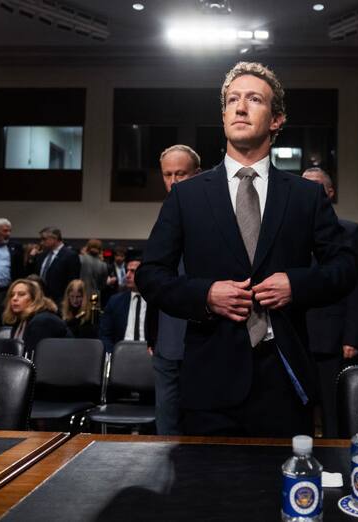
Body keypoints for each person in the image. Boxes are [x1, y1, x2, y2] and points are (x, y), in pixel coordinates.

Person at [136, 61, 356, 437]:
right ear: (223, 115)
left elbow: (347, 266)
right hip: (209, 380)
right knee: (207, 493)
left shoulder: (306, 195)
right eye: (232, 100)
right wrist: (205, 294)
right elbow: (150, 274)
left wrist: (296, 285)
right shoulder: (186, 196)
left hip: (284, 377)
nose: (240, 107)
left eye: (254, 99)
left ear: (276, 119)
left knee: (282, 491)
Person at [302, 166, 358, 438]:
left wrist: (351, 336)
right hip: (295, 335)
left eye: (317, 186)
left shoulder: (350, 232)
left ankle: (335, 467)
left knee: (332, 410)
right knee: (298, 408)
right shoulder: (287, 230)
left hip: (331, 337)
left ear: (330, 192)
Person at [150, 144, 201, 435]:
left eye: (180, 174)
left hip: (203, 335)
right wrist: (152, 332)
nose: (173, 181)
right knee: (166, 425)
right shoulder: (165, 213)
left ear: (197, 173)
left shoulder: (216, 211)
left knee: (199, 423)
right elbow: (156, 277)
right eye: (167, 174)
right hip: (167, 337)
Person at [100, 258, 153, 354]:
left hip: (149, 354)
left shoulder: (155, 302)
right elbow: (105, 335)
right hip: (121, 354)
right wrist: (113, 355)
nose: (127, 275)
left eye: (132, 271)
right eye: (127, 271)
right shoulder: (115, 301)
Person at [3, 278, 69, 355]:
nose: (14, 298)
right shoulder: (20, 320)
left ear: (34, 299)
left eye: (21, 294)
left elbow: (37, 358)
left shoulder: (42, 321)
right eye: (12, 295)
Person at [26, 227, 81, 305]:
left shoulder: (70, 255)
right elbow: (33, 274)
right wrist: (31, 258)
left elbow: (72, 281)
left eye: (44, 239)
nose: (41, 242)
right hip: (40, 299)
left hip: (59, 301)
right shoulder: (42, 255)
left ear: (55, 238)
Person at [0, 218, 25, 304]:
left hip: (7, 291)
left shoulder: (16, 246)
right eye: (5, 231)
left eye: (9, 231)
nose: (8, 234)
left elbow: (20, 270)